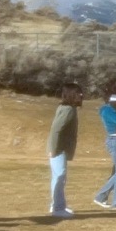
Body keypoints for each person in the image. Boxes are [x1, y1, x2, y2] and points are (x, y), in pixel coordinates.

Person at [48, 83, 82, 218]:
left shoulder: (68, 108)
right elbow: (56, 130)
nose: (81, 95)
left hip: (59, 148)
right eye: (78, 93)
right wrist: (53, 149)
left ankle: (55, 205)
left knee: (57, 177)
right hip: (58, 149)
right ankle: (58, 208)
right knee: (60, 177)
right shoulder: (68, 110)